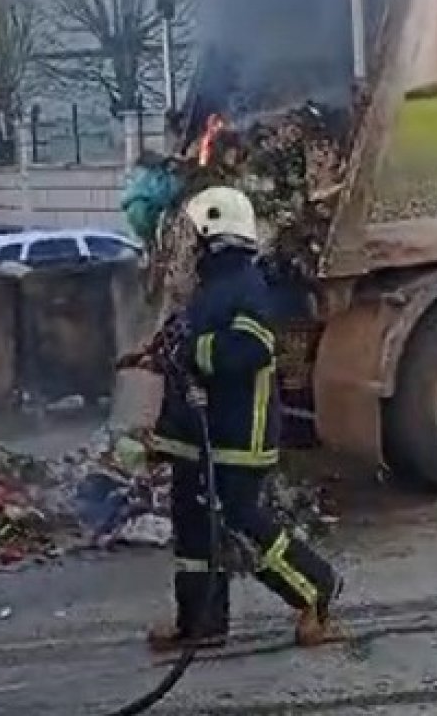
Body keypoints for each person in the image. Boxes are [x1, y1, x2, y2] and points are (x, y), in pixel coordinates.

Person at [142, 186, 343, 652]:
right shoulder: (212, 285)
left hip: (236, 435)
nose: (187, 242)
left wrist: (193, 351)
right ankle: (200, 622)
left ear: (215, 232)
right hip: (199, 436)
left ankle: (315, 592)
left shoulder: (244, 284)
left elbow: (252, 348)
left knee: (241, 519)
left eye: (194, 232)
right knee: (195, 530)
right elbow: (193, 343)